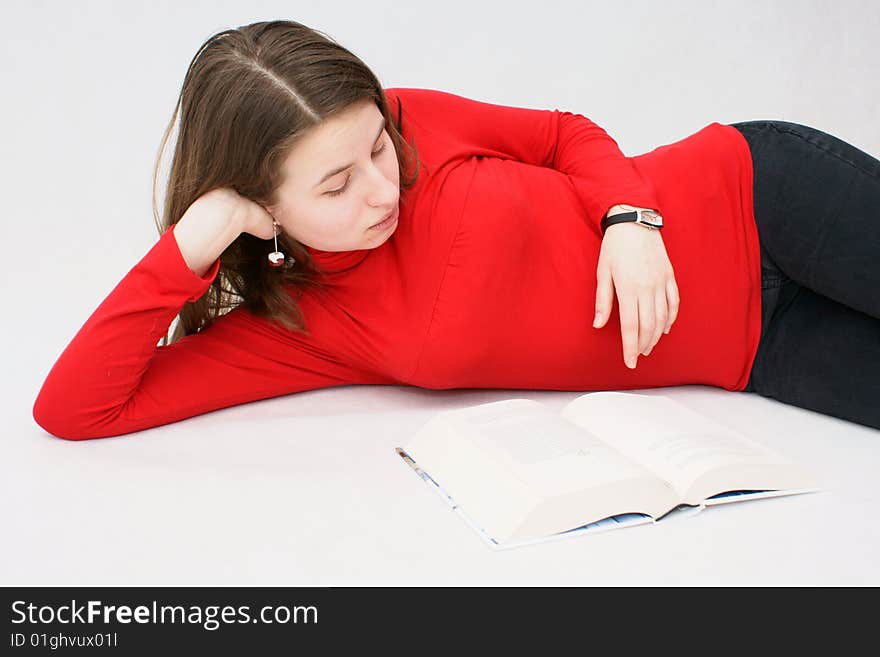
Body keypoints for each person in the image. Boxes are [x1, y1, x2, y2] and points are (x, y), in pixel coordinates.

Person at [32, 20, 880, 440]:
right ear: (265, 210)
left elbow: (562, 134)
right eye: (335, 184)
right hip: (757, 350)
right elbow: (77, 409)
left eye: (376, 147)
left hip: (760, 194)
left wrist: (629, 217)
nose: (380, 188)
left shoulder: (407, 122)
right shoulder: (305, 329)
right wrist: (195, 237)